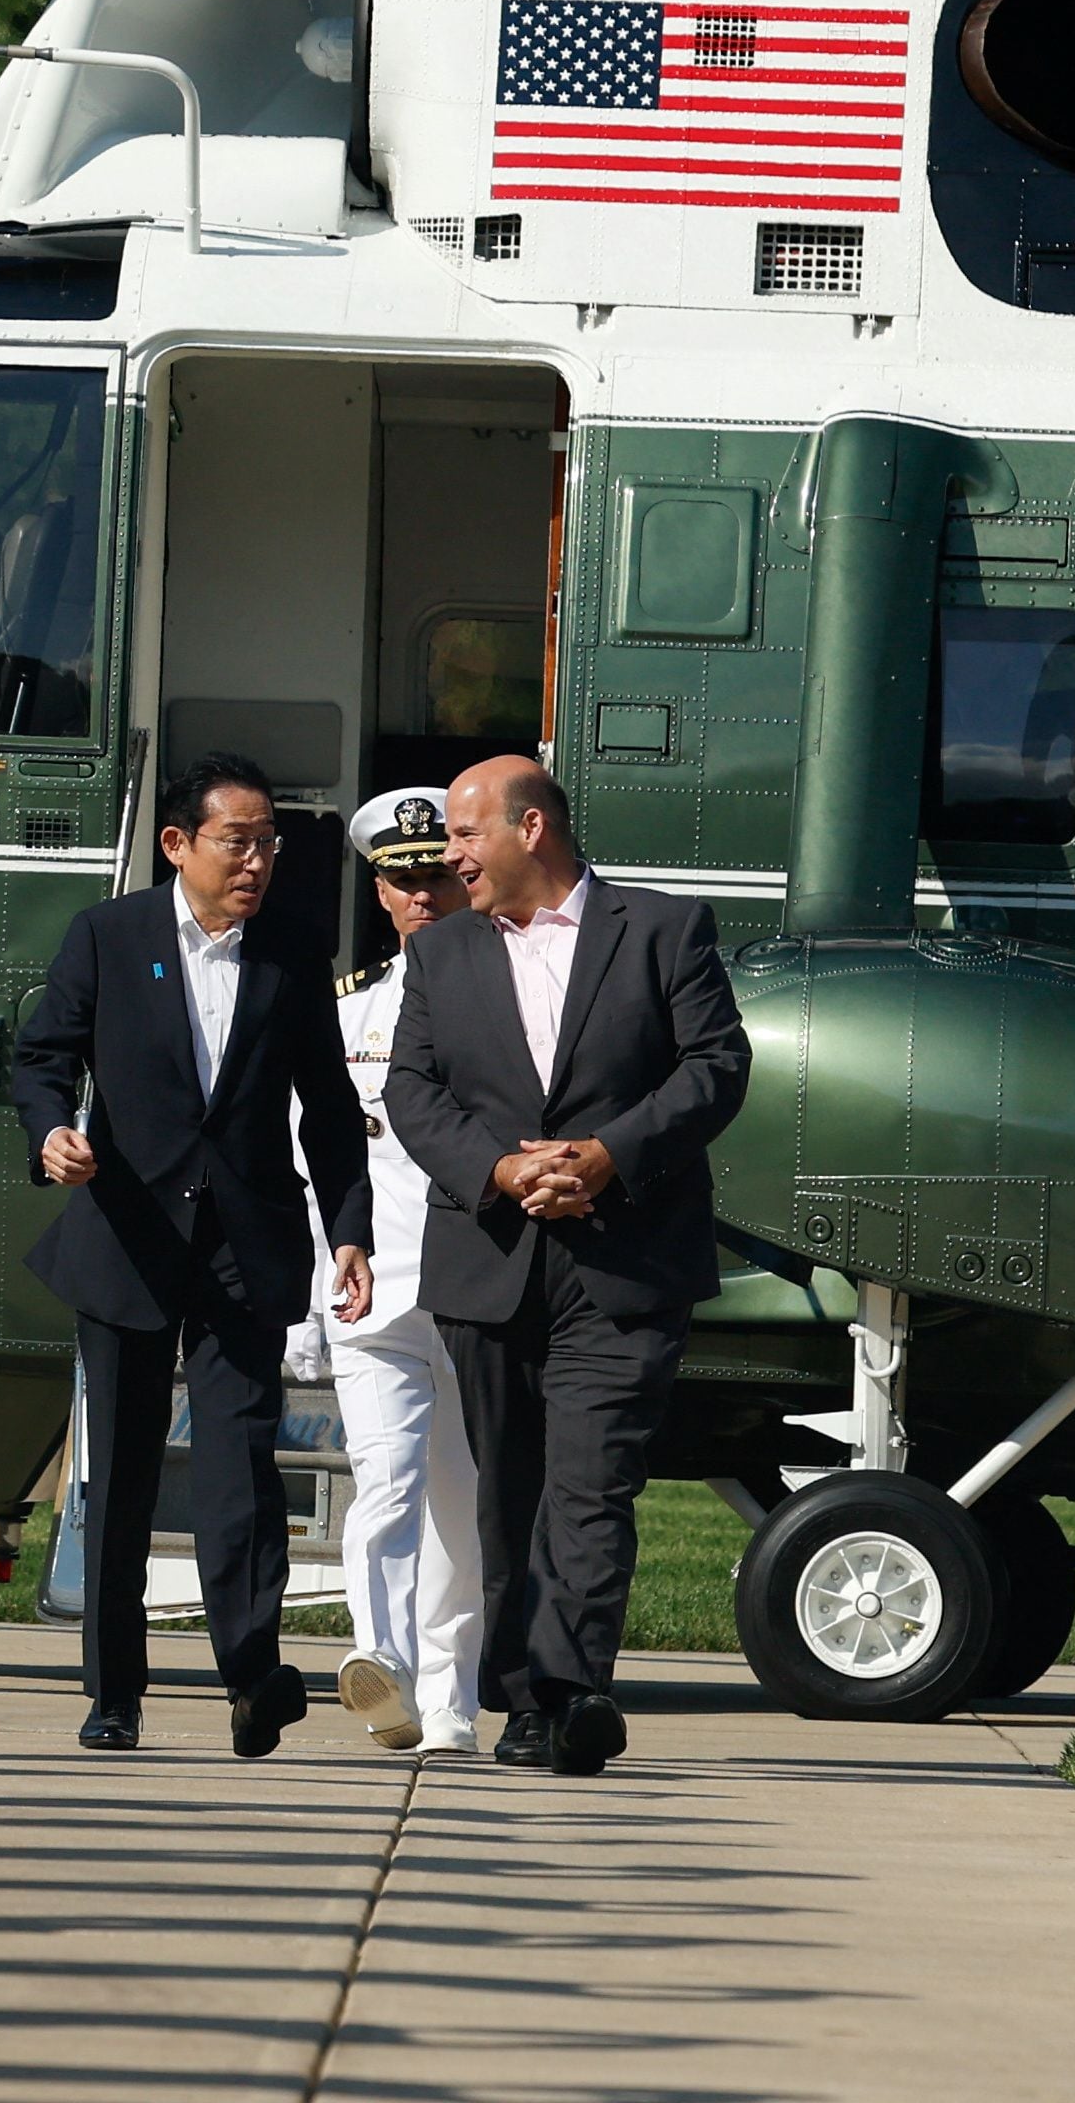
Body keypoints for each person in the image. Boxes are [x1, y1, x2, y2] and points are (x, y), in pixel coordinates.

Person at [382, 756, 750, 1778]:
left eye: (464, 836)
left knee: (591, 1485)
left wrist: (608, 1157)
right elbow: (414, 1090)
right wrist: (501, 1169)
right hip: (492, 1260)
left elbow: (716, 1067)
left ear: (531, 828)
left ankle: (567, 1691)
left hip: (623, 1263)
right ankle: (522, 1695)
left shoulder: (665, 930)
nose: (448, 859)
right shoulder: (444, 954)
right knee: (511, 1492)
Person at [13, 752, 370, 1758]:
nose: (258, 860)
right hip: (125, 1237)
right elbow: (43, 1058)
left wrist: (349, 1228)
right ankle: (113, 1693)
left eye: (271, 843)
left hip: (245, 1247)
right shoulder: (110, 938)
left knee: (240, 1469)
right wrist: (51, 1137)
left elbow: (332, 1110)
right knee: (121, 1480)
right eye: (238, 841)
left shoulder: (293, 954)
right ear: (178, 844)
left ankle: (251, 1674)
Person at [301, 791, 484, 1755]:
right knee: (386, 1483)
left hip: (479, 1286)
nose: (422, 897)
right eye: (403, 881)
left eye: (437, 877)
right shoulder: (348, 1013)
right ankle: (388, 1668)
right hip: (373, 1289)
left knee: (459, 1501)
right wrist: (311, 1291)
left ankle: (453, 1701)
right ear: (378, 890)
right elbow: (315, 1161)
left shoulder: (508, 1006)